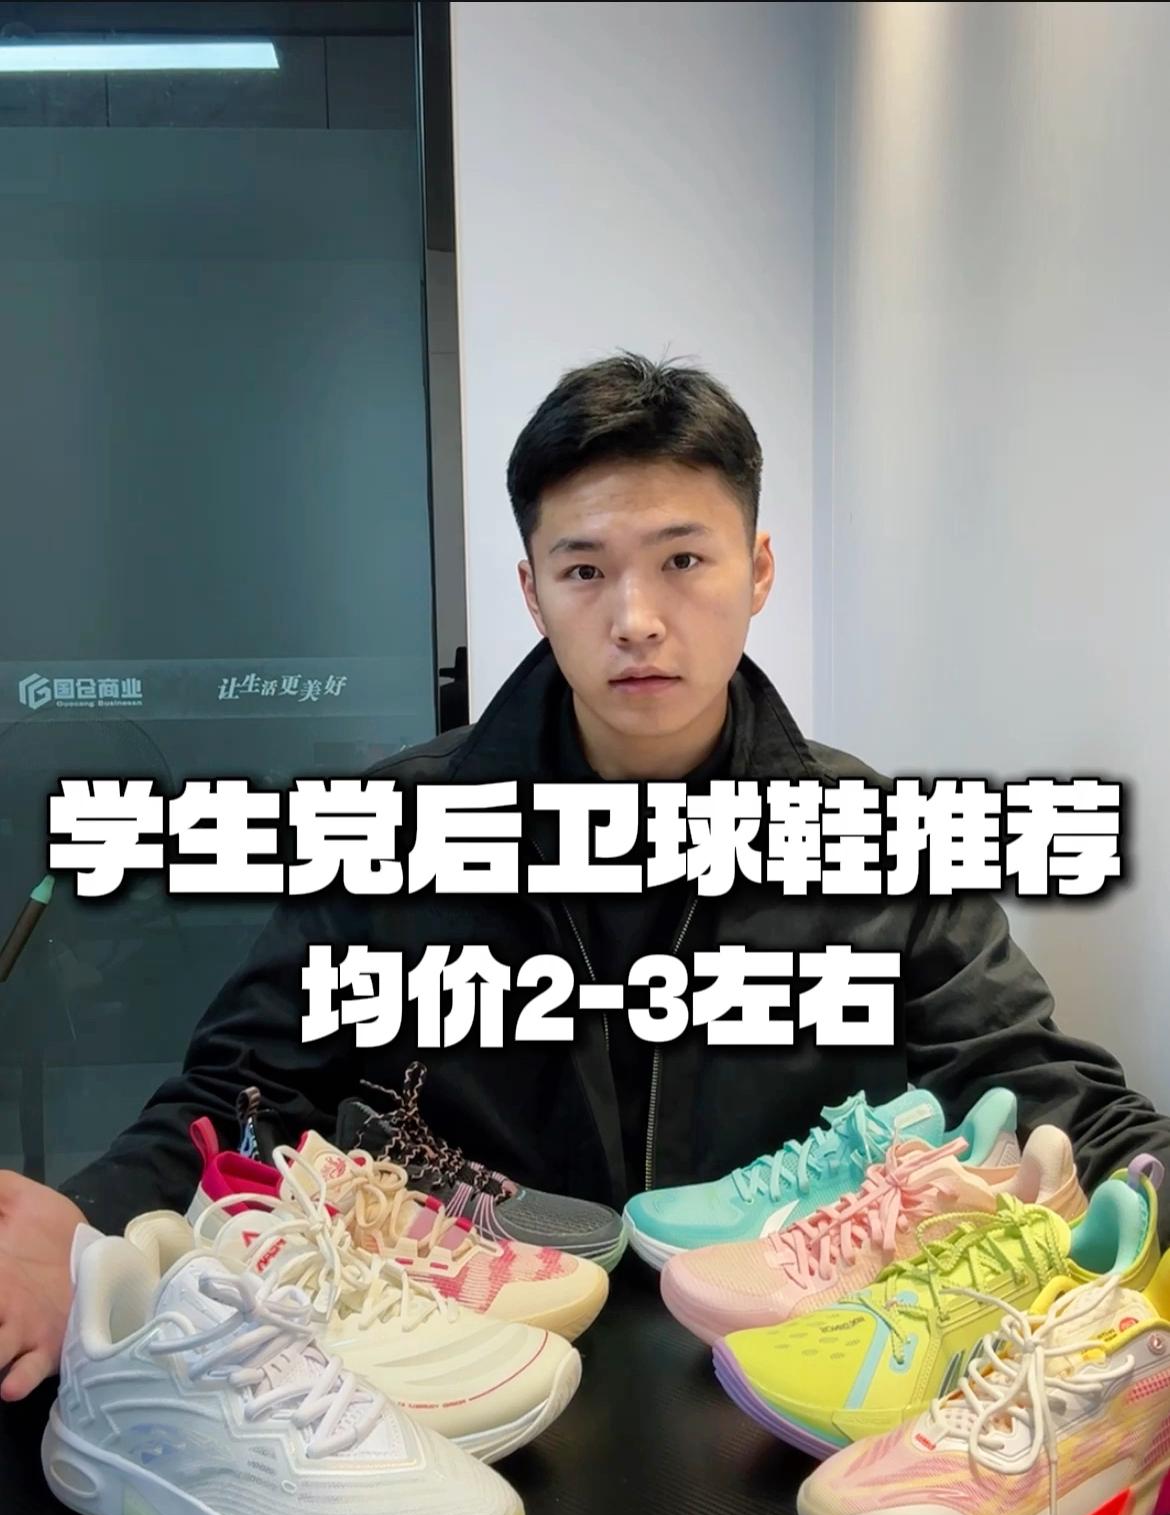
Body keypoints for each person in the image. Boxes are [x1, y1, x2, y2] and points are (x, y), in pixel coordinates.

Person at [2, 351, 1168, 1404]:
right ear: (532, 591)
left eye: (684, 561)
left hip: (794, 1382)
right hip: (441, 1378)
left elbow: (1026, 1076)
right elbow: (250, 1086)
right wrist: (90, 1219)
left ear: (758, 570)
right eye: (585, 570)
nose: (637, 618)